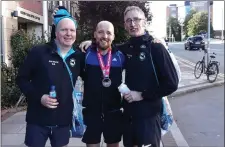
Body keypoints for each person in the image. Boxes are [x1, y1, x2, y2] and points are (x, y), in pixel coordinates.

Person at [79, 6, 179, 147]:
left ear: (144, 21)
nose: (133, 24)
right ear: (125, 25)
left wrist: (142, 95)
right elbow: (106, 46)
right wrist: (92, 43)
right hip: (128, 117)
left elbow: (172, 84)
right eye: (128, 21)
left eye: (136, 19)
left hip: (148, 118)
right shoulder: (124, 49)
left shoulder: (156, 48)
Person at [16, 8, 84, 147]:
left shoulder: (79, 57)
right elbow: (21, 79)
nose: (68, 33)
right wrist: (39, 97)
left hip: (63, 121)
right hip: (37, 120)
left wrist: (92, 45)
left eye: (72, 30)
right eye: (64, 30)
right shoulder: (39, 52)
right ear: (56, 33)